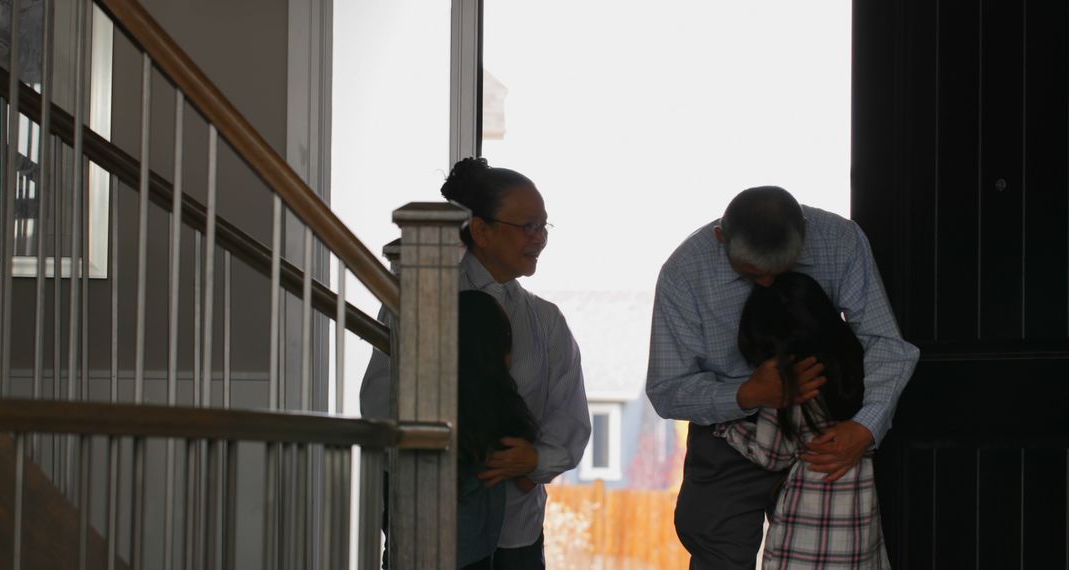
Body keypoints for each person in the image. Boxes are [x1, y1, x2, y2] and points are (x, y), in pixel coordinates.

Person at [645, 186, 918, 569]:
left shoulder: (839, 240)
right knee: (717, 555)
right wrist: (746, 394)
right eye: (753, 273)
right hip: (729, 429)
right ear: (721, 238)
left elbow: (883, 342)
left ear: (803, 237)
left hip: (827, 433)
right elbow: (667, 389)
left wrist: (866, 426)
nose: (769, 284)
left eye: (782, 270)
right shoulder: (685, 272)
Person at [360, 157, 591, 570]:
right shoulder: (421, 296)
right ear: (482, 230)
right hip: (433, 522)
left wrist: (536, 459)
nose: (539, 239)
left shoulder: (546, 319)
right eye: (528, 227)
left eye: (544, 227)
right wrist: (456, 455)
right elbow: (381, 396)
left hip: (517, 529)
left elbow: (569, 414)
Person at [716, 271, 888, 569]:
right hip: (859, 520)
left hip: (806, 535)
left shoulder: (790, 387)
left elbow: (772, 455)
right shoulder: (859, 367)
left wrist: (728, 428)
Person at [456, 290, 540, 569]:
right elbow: (527, 482)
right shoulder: (500, 412)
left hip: (415, 548)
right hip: (477, 554)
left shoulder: (426, 404)